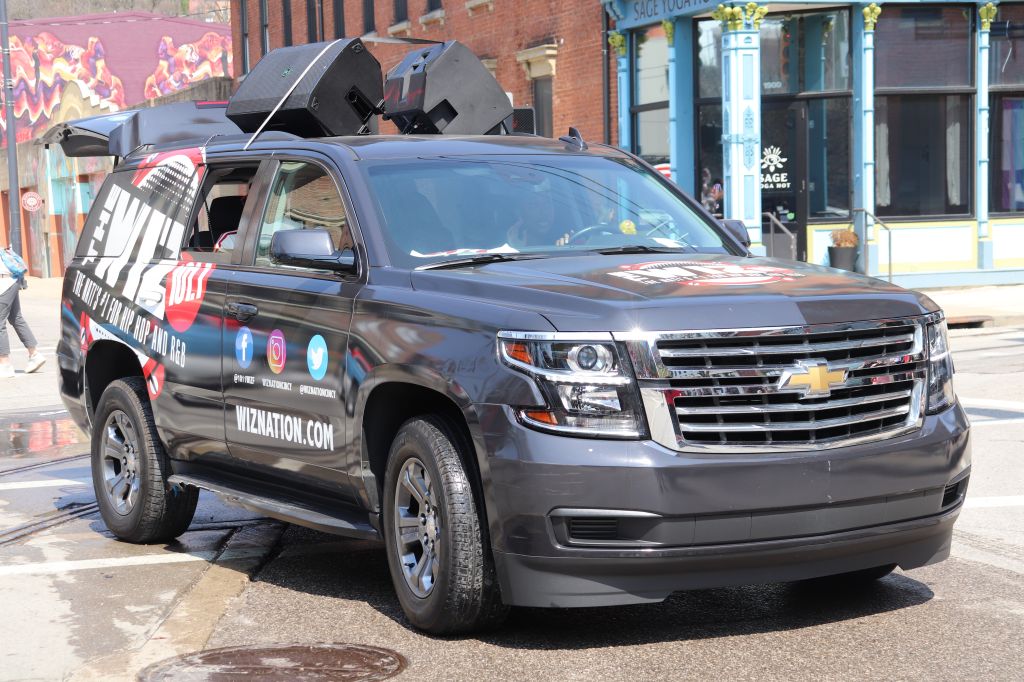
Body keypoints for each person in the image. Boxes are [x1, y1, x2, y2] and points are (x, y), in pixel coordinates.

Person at [0, 257, 44, 378]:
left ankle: (5, 364)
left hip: (3, 284)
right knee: (16, 318)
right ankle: (34, 355)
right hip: (12, 281)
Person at [505, 194, 570, 248]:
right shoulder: (503, 252)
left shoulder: (568, 244)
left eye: (547, 204)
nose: (544, 211)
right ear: (519, 213)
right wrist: (518, 250)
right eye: (533, 205)